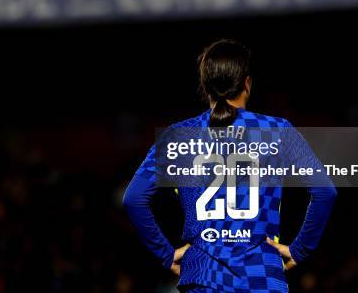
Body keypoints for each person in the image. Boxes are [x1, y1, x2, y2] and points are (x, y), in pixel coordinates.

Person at [123, 39, 336, 292]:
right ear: (247, 83)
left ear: (205, 86)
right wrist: (300, 249)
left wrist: (166, 253)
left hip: (202, 277)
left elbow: (134, 199)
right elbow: (325, 191)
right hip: (262, 278)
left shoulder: (178, 136)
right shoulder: (276, 130)